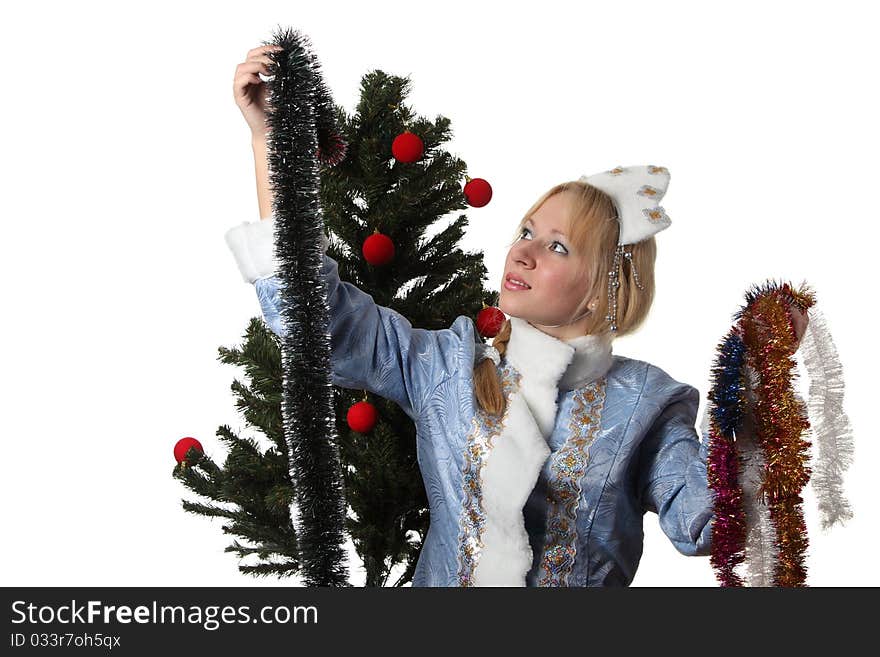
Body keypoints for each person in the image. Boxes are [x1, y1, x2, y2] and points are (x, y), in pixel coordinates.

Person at [225, 45, 807, 587]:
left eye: (558, 246)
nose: (521, 252)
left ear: (602, 287)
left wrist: (757, 378)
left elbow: (709, 524)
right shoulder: (448, 365)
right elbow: (315, 322)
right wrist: (271, 147)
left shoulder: (645, 402)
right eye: (526, 232)